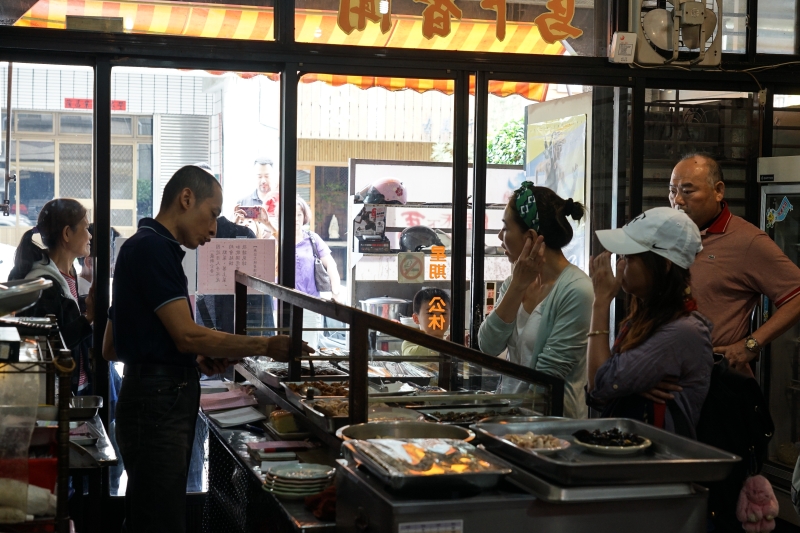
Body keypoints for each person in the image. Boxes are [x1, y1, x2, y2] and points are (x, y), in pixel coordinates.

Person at [102, 165, 312, 533]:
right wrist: (266, 344)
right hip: (159, 406)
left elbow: (112, 346)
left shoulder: (140, 245)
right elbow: (188, 335)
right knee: (161, 521)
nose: (214, 229)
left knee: (147, 514)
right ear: (186, 199)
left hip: (147, 400)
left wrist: (193, 357)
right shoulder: (154, 248)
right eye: (212, 214)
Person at [668, 153, 800, 375]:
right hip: (663, 374)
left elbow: (796, 294)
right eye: (673, 191)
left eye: (688, 191)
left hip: (713, 378)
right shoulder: (667, 234)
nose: (677, 201)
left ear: (718, 191)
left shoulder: (747, 241)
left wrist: (752, 343)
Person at [587, 207, 713, 438]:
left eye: (630, 258)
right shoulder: (646, 315)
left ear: (664, 265)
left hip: (662, 464)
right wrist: (631, 385)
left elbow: (600, 384)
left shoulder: (682, 329)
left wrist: (601, 302)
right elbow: (600, 390)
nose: (621, 266)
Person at [477, 182, 592, 418]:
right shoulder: (514, 282)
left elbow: (548, 378)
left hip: (553, 428)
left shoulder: (576, 289)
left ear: (530, 237)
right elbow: (487, 346)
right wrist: (517, 286)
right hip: (512, 421)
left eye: (505, 228)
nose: (500, 236)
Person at [9, 198, 94, 395]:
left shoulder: (68, 275)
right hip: (52, 393)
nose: (90, 236)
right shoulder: (42, 285)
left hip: (75, 388)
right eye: (86, 228)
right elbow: (48, 347)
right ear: (67, 233)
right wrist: (88, 318)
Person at [295, 196, 343, 349]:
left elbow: (331, 265)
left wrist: (335, 293)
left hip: (310, 303)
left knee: (309, 349)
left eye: (299, 214)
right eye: (292, 214)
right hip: (281, 305)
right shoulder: (276, 239)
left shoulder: (312, 239)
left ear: (304, 217)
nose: (295, 218)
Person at [236, 156, 280, 223]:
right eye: (259, 176)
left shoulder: (282, 202)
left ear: (274, 176)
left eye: (267, 176)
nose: (263, 181)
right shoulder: (243, 203)